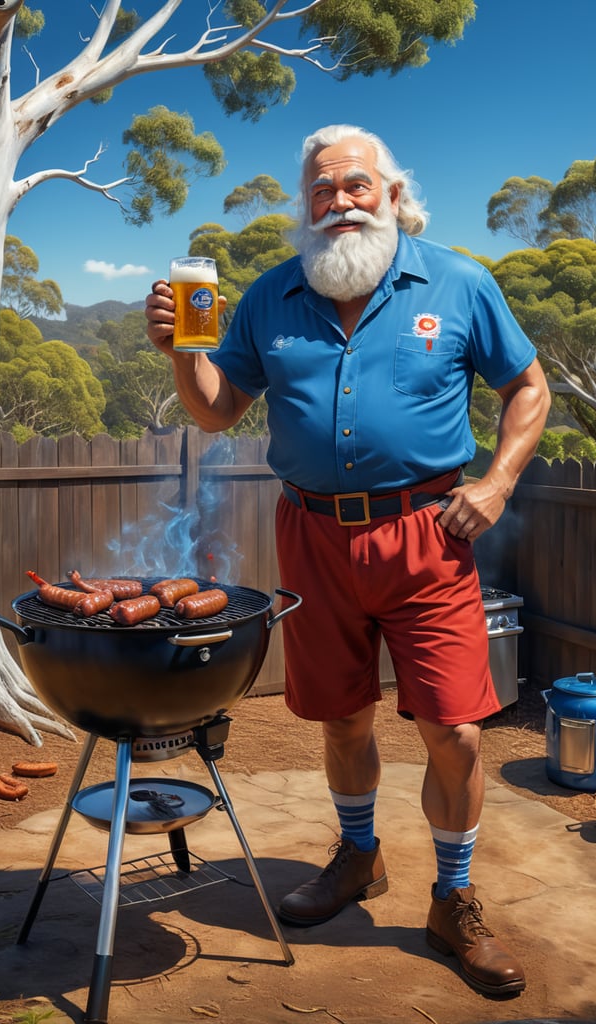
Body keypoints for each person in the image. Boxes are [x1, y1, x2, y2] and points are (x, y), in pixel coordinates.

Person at [145, 123, 551, 997]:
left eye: (355, 186)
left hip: (429, 535)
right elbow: (217, 412)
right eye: (321, 190)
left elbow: (529, 386)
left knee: (454, 728)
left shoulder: (459, 282)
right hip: (313, 535)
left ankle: (452, 897)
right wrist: (181, 350)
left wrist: (499, 481)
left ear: (392, 194)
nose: (338, 203)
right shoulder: (267, 297)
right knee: (342, 718)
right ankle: (358, 855)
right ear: (307, 204)